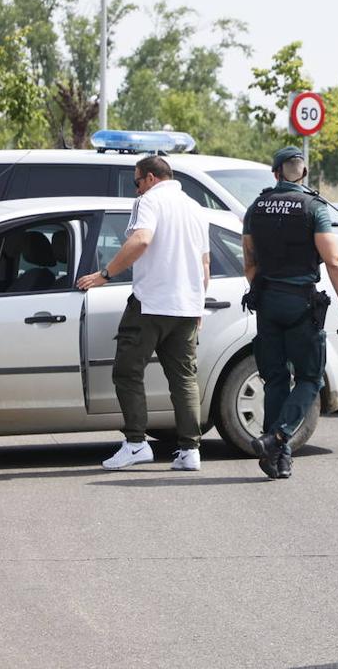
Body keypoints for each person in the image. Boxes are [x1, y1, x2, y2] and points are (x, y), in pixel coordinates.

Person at [77, 155, 211, 472]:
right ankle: (191, 450)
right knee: (184, 379)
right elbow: (205, 265)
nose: (136, 189)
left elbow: (141, 239)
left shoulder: (149, 201)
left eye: (137, 182)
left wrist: (104, 275)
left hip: (151, 304)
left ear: (150, 178)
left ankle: (136, 443)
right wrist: (197, 306)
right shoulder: (195, 207)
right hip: (185, 307)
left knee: (127, 371)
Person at [242, 146, 338, 480]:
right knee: (310, 378)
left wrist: (264, 289)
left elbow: (249, 262)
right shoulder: (313, 208)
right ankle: (277, 437)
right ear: (303, 174)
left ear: (275, 172)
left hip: (267, 302)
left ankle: (277, 457)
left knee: (275, 378)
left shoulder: (255, 207)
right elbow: (334, 261)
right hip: (300, 304)